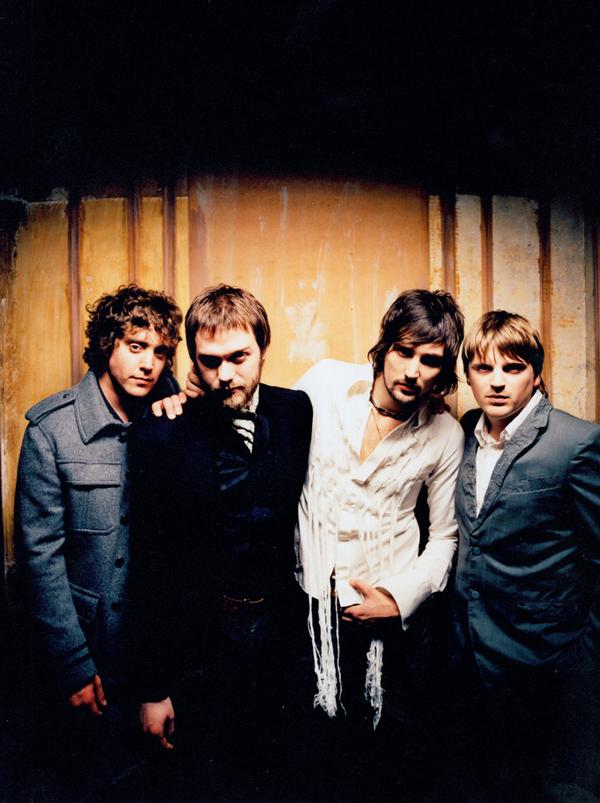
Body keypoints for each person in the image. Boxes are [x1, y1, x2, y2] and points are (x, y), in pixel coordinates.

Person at [129, 284, 312, 799]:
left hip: (281, 638)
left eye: (239, 357)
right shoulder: (162, 431)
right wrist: (152, 688)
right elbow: (149, 563)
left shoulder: (296, 411)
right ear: (192, 359)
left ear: (263, 348)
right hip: (201, 644)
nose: (224, 374)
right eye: (209, 362)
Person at [293, 288, 465, 799]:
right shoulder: (324, 383)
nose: (413, 371)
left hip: (389, 619)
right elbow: (262, 423)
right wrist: (187, 393)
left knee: (382, 761)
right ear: (384, 346)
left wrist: (397, 600)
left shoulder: (444, 433)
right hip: (307, 605)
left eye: (430, 361)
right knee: (309, 758)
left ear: (443, 370)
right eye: (404, 352)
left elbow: (445, 537)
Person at [15, 284, 182, 800]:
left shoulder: (170, 420)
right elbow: (39, 559)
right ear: (108, 343)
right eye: (136, 346)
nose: (149, 363)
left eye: (161, 352)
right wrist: (73, 666)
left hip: (150, 655)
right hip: (84, 656)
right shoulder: (52, 430)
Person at [453, 310, 600, 801]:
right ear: (468, 375)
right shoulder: (467, 430)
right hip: (471, 655)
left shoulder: (575, 442)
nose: (497, 382)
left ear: (536, 374)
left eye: (513, 368)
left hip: (545, 662)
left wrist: (583, 655)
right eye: (483, 368)